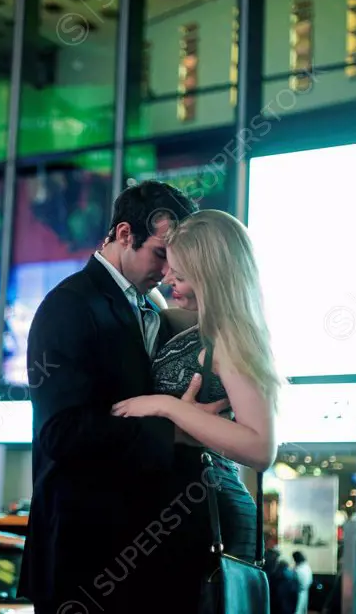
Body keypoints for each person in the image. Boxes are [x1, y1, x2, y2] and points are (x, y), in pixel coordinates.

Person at [20, 181, 227, 614]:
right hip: (88, 562)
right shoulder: (69, 306)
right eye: (161, 253)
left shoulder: (153, 305)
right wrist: (176, 430)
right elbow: (61, 433)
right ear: (124, 235)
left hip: (150, 558)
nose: (170, 268)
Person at [111, 209, 283, 610]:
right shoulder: (200, 326)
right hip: (187, 510)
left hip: (209, 514)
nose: (169, 279)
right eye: (171, 268)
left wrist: (168, 407)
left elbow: (261, 447)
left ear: (213, 278)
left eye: (182, 275)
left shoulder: (233, 335)